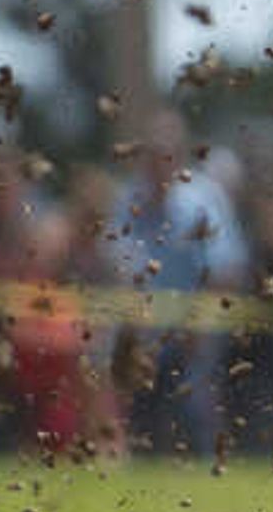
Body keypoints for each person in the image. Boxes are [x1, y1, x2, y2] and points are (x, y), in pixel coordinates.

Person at [102, 108, 245, 457]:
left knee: (194, 420)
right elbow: (114, 259)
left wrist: (198, 326)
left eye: (166, 154)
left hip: (194, 338)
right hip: (142, 336)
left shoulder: (203, 200)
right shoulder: (129, 199)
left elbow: (226, 270)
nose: (157, 162)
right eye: (152, 153)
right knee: (142, 423)